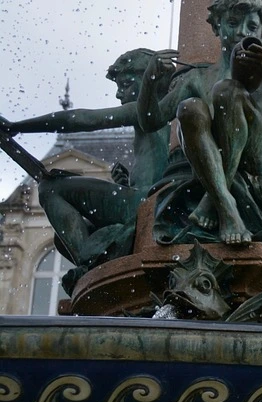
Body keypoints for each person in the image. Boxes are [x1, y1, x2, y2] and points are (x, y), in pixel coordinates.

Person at [139, 0, 262, 247]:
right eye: (232, 23)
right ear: (217, 27)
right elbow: (151, 120)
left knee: (227, 91)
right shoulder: (198, 77)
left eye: (251, 27)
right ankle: (225, 202)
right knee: (189, 108)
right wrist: (149, 81)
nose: (241, 32)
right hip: (211, 159)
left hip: (258, 160)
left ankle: (212, 200)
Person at [1, 48, 172, 274]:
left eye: (125, 85)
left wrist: (17, 127)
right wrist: (128, 182)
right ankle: (98, 259)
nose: (119, 95)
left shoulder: (147, 110)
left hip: (141, 203)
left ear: (149, 78)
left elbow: (83, 119)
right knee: (63, 239)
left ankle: (90, 264)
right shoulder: (170, 112)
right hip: (150, 201)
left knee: (52, 189)